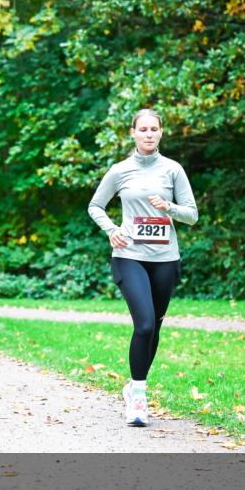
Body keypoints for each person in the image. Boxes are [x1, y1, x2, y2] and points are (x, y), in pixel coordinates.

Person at [87, 109, 198, 427]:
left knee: (155, 328)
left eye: (154, 129)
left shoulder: (173, 170)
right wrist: (111, 229)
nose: (149, 134)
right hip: (129, 256)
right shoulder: (120, 171)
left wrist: (170, 208)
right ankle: (138, 397)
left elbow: (192, 215)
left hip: (165, 260)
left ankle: (133, 385)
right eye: (143, 129)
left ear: (161, 133)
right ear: (132, 133)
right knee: (145, 325)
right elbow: (95, 205)